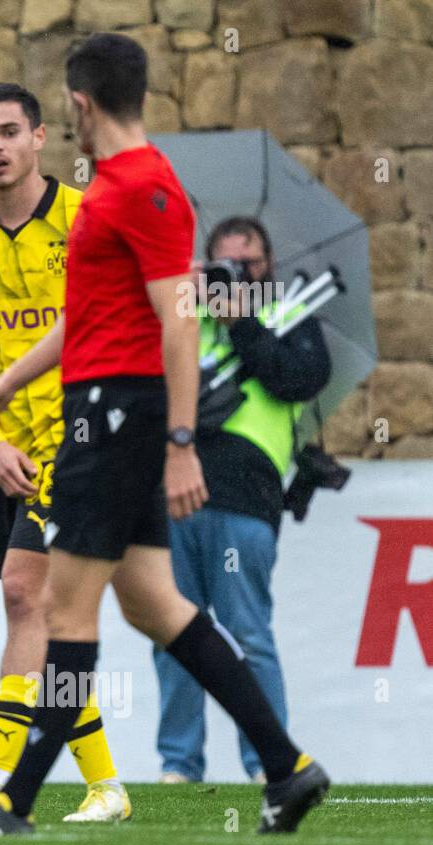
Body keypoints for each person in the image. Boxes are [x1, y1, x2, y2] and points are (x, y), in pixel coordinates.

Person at [0, 33, 329, 836]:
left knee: (61, 611)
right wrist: (5, 385)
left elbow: (179, 322)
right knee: (158, 608)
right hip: (105, 411)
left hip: (114, 420)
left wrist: (181, 441)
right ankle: (288, 769)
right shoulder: (116, 188)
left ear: (78, 108)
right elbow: (85, 318)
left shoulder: (141, 188)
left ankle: (10, 804)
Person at [0, 82, 130, 823]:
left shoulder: (85, 221)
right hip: (0, 451)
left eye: (9, 132)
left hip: (79, 442)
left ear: (42, 138)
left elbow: (97, 330)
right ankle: (106, 785)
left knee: (24, 592)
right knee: (41, 613)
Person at [154, 216, 330, 783]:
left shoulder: (290, 315)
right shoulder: (185, 316)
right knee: (172, 631)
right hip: (175, 491)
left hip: (247, 499)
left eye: (248, 265)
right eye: (225, 264)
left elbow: (299, 379)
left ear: (269, 266)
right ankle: (179, 765)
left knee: (248, 633)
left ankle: (267, 763)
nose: (237, 274)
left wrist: (243, 321)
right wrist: (191, 293)